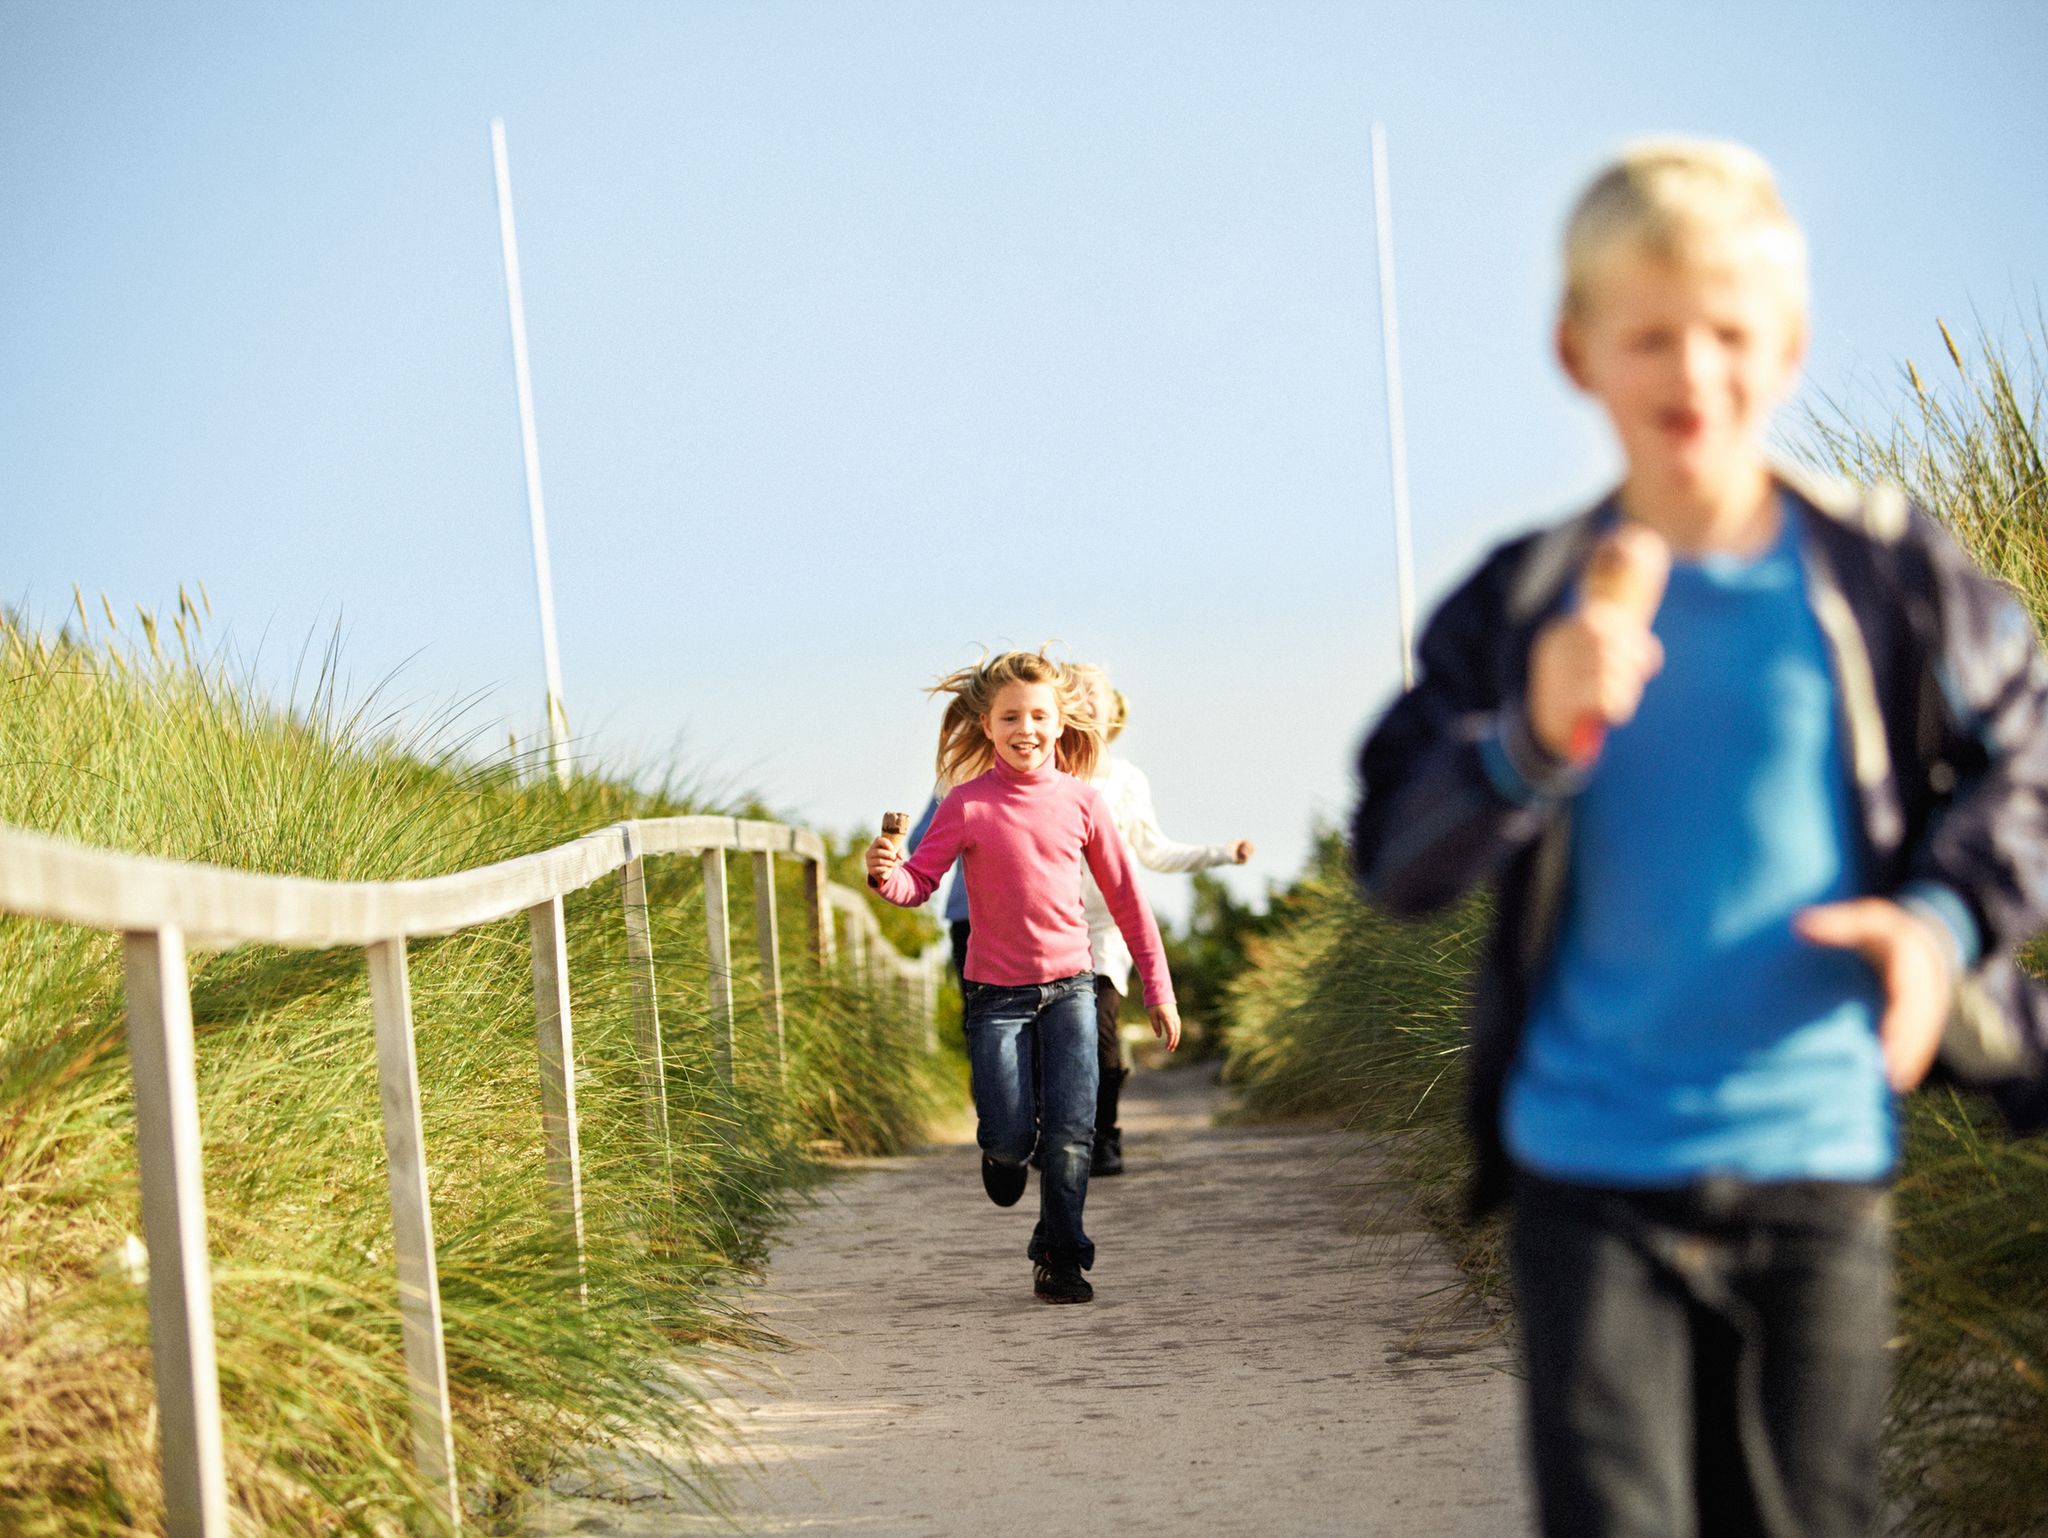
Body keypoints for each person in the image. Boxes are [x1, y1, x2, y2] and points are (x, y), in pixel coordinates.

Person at [1348, 138, 2048, 1537]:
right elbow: (1396, 854)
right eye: (1650, 335)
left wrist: (1942, 922)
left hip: (1815, 1158)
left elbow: (2024, 767)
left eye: (1729, 333)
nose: (1694, 372)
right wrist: (1523, 743)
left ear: (1785, 345)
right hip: (1587, 1170)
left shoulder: (1885, 571)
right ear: (1577, 351)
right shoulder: (1523, 596)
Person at [867, 648, 1181, 1304]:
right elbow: (916, 883)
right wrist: (883, 871)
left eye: (1039, 716)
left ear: (1061, 722)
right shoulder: (966, 804)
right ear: (987, 726)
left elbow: (1127, 900)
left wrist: (1158, 987)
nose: (1026, 729)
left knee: (1072, 1135)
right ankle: (1000, 1153)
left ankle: (1061, 1256)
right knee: (1010, 1137)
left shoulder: (1084, 803)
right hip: (995, 997)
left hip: (1070, 986)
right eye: (1011, 717)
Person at [1069, 662, 1252, 1174]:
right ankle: (1055, 1133)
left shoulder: (1127, 781)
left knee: (1101, 1031)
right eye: (1073, 691)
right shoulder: (1047, 774)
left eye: (1094, 692)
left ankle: (1104, 1137)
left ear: (1113, 709)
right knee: (1052, 1037)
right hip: (1049, 926)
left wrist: (1220, 853)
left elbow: (1155, 851)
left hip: (1106, 931)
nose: (1083, 698)